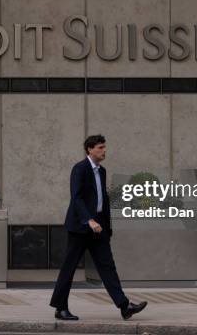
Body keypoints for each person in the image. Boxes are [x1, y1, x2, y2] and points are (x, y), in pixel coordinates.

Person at [49, 134, 147, 320]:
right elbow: (76, 198)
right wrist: (89, 220)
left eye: (104, 147)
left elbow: (102, 199)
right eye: (100, 147)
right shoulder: (80, 169)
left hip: (99, 229)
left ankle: (124, 306)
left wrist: (105, 226)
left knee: (107, 266)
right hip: (80, 228)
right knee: (69, 268)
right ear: (90, 149)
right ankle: (60, 309)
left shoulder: (101, 171)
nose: (104, 150)